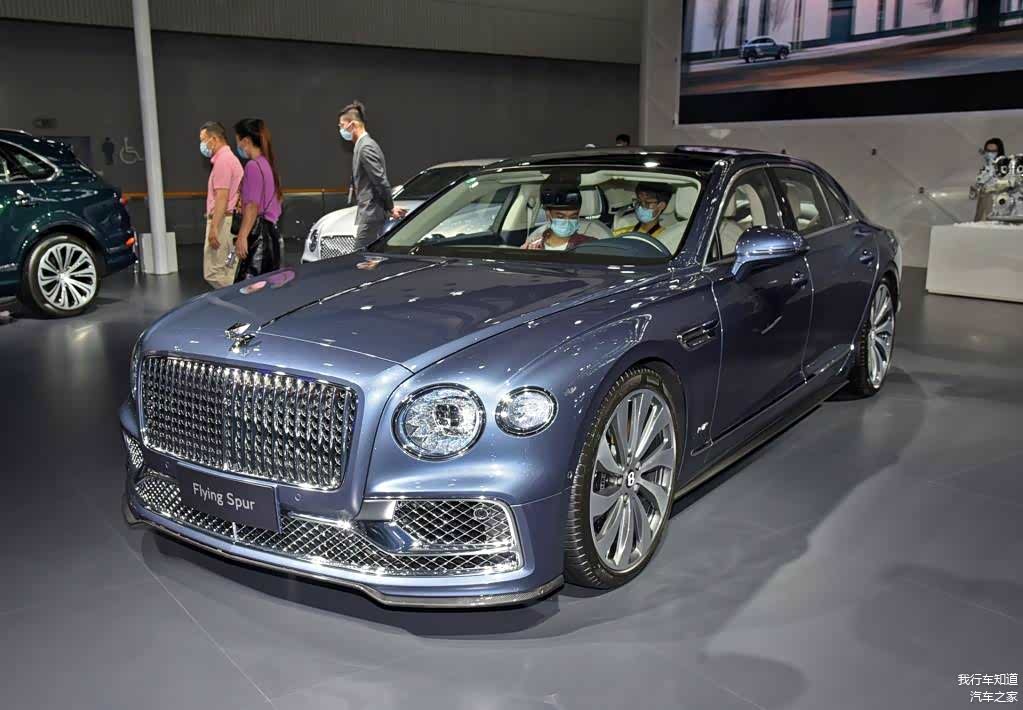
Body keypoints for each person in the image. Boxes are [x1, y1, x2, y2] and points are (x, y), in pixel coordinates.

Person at [338, 101, 406, 249]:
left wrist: (390, 207)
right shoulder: (362, 146)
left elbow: (380, 181)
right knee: (368, 258)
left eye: (342, 125)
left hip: (372, 215)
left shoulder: (366, 147)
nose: (341, 130)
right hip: (371, 213)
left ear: (352, 125)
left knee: (360, 257)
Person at [233, 118, 282, 281]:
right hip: (271, 236)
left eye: (237, 140)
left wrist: (242, 236)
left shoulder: (253, 166)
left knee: (248, 288)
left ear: (246, 141)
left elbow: (252, 206)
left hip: (259, 239)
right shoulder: (267, 164)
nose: (237, 145)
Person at [198, 121, 243, 289]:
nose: (202, 145)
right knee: (227, 270)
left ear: (214, 139)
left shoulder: (223, 162)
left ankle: (238, 298)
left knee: (215, 272)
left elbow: (222, 198)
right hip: (227, 221)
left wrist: (214, 228)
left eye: (203, 140)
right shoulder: (229, 159)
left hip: (223, 222)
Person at [522, 188, 600, 251]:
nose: (567, 222)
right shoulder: (534, 246)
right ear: (548, 214)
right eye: (560, 217)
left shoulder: (590, 245)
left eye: (573, 217)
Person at [973, 137, 1007, 221]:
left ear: (999, 152)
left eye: (993, 151)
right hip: (984, 203)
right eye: (988, 151)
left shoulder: (1006, 168)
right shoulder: (985, 168)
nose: (990, 154)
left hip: (998, 204)